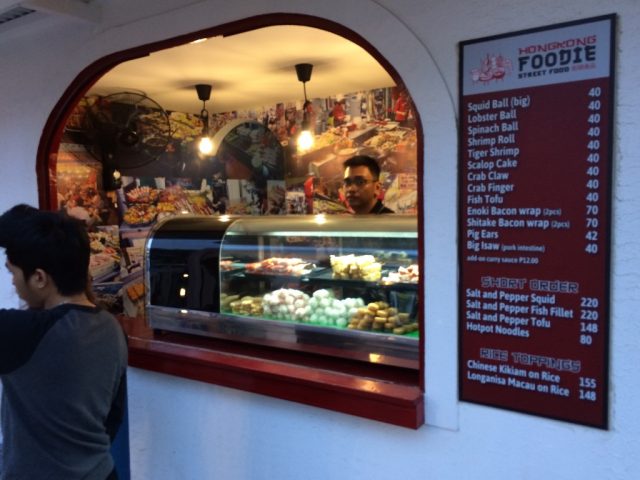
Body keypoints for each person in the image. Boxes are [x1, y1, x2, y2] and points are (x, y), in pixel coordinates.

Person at [0, 204, 128, 480]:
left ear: (39, 278)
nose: (12, 283)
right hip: (101, 473)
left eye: (12, 273)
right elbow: (113, 418)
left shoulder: (25, 333)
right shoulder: (112, 327)